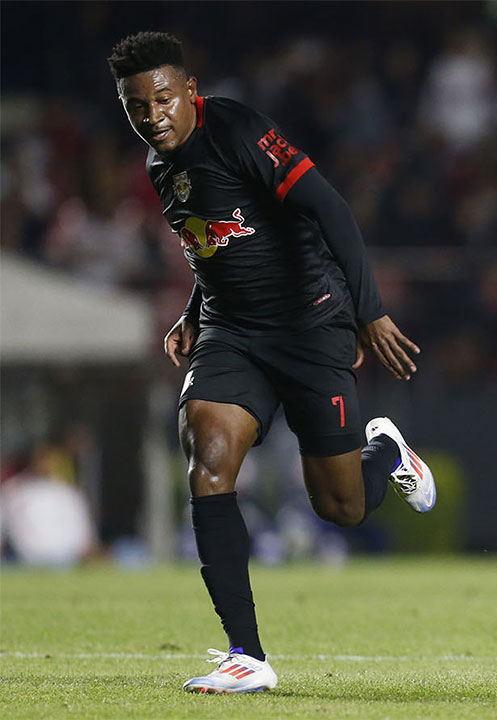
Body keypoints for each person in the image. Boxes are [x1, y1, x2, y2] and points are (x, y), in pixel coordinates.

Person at [108, 32, 437, 693]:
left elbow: (330, 210)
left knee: (340, 508)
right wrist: (197, 313)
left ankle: (387, 455)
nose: (153, 117)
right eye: (136, 107)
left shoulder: (239, 130)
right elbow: (219, 245)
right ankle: (247, 655)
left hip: (312, 321)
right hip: (234, 333)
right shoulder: (158, 166)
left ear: (190, 92)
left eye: (163, 100)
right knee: (208, 456)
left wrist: (369, 313)